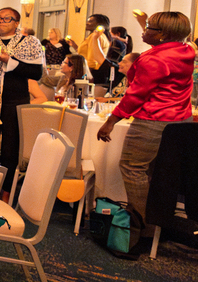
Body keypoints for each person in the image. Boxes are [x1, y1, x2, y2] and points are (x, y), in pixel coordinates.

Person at [97, 12, 195, 226]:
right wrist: (146, 24)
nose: (143, 31)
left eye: (149, 27)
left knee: (132, 168)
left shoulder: (154, 59)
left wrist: (111, 122)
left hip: (154, 120)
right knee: (157, 173)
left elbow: (135, 95)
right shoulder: (186, 51)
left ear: (162, 35)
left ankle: (142, 224)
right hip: (181, 120)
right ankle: (158, 224)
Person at [0, 7, 44, 192]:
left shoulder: (29, 42)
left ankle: (6, 192)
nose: (0, 21)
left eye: (6, 19)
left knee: (9, 151)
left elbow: (36, 73)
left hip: (15, 102)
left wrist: (9, 60)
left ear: (17, 23)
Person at [68, 13, 125, 95]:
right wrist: (74, 45)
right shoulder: (92, 36)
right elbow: (86, 53)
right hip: (89, 70)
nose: (87, 23)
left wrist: (87, 75)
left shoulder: (97, 37)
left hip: (93, 72)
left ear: (99, 24)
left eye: (90, 21)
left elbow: (93, 58)